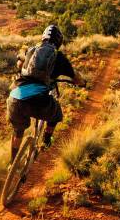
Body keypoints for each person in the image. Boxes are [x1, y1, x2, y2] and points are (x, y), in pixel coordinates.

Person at [6, 24, 86, 161]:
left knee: (18, 131)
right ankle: (46, 140)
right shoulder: (59, 58)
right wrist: (83, 83)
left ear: (43, 37)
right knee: (56, 114)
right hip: (38, 101)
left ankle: (12, 163)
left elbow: (19, 65)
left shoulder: (31, 50)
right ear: (59, 42)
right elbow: (76, 78)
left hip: (15, 96)